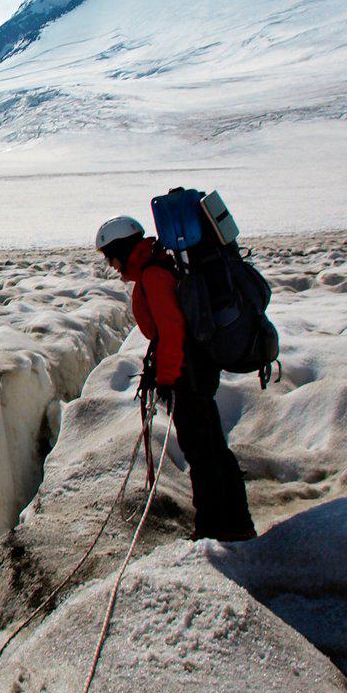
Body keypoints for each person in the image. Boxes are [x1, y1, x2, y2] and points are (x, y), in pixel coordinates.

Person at [95, 216, 256, 542]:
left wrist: (168, 376)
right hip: (193, 369)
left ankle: (213, 528)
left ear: (122, 250)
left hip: (188, 373)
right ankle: (237, 521)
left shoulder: (154, 275)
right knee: (212, 447)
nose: (111, 265)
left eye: (110, 256)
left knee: (202, 453)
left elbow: (172, 331)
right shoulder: (156, 266)